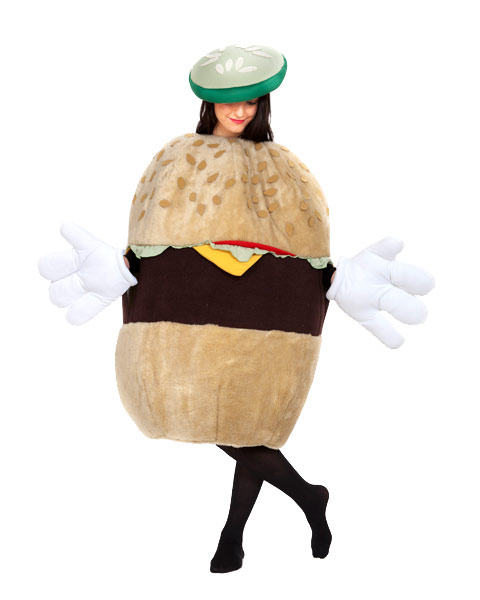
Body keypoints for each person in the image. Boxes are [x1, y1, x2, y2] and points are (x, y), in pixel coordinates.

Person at [38, 44, 435, 575]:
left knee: (249, 422)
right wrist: (123, 266)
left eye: (251, 101)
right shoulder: (177, 157)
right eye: (231, 101)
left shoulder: (283, 168)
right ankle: (303, 499)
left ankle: (235, 535)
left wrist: (335, 280)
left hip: (267, 314)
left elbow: (303, 241)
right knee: (229, 423)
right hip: (188, 311)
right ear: (208, 102)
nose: (241, 111)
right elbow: (156, 226)